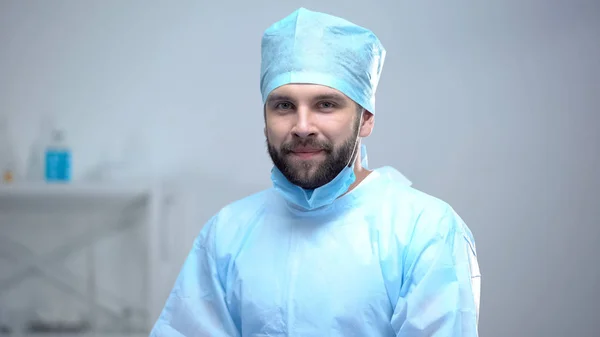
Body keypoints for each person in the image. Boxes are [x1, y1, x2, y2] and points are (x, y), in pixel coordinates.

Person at [149, 7, 481, 337]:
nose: (303, 127)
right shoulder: (227, 233)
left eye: (325, 105)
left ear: (365, 118)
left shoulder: (424, 230)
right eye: (284, 106)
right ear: (266, 120)